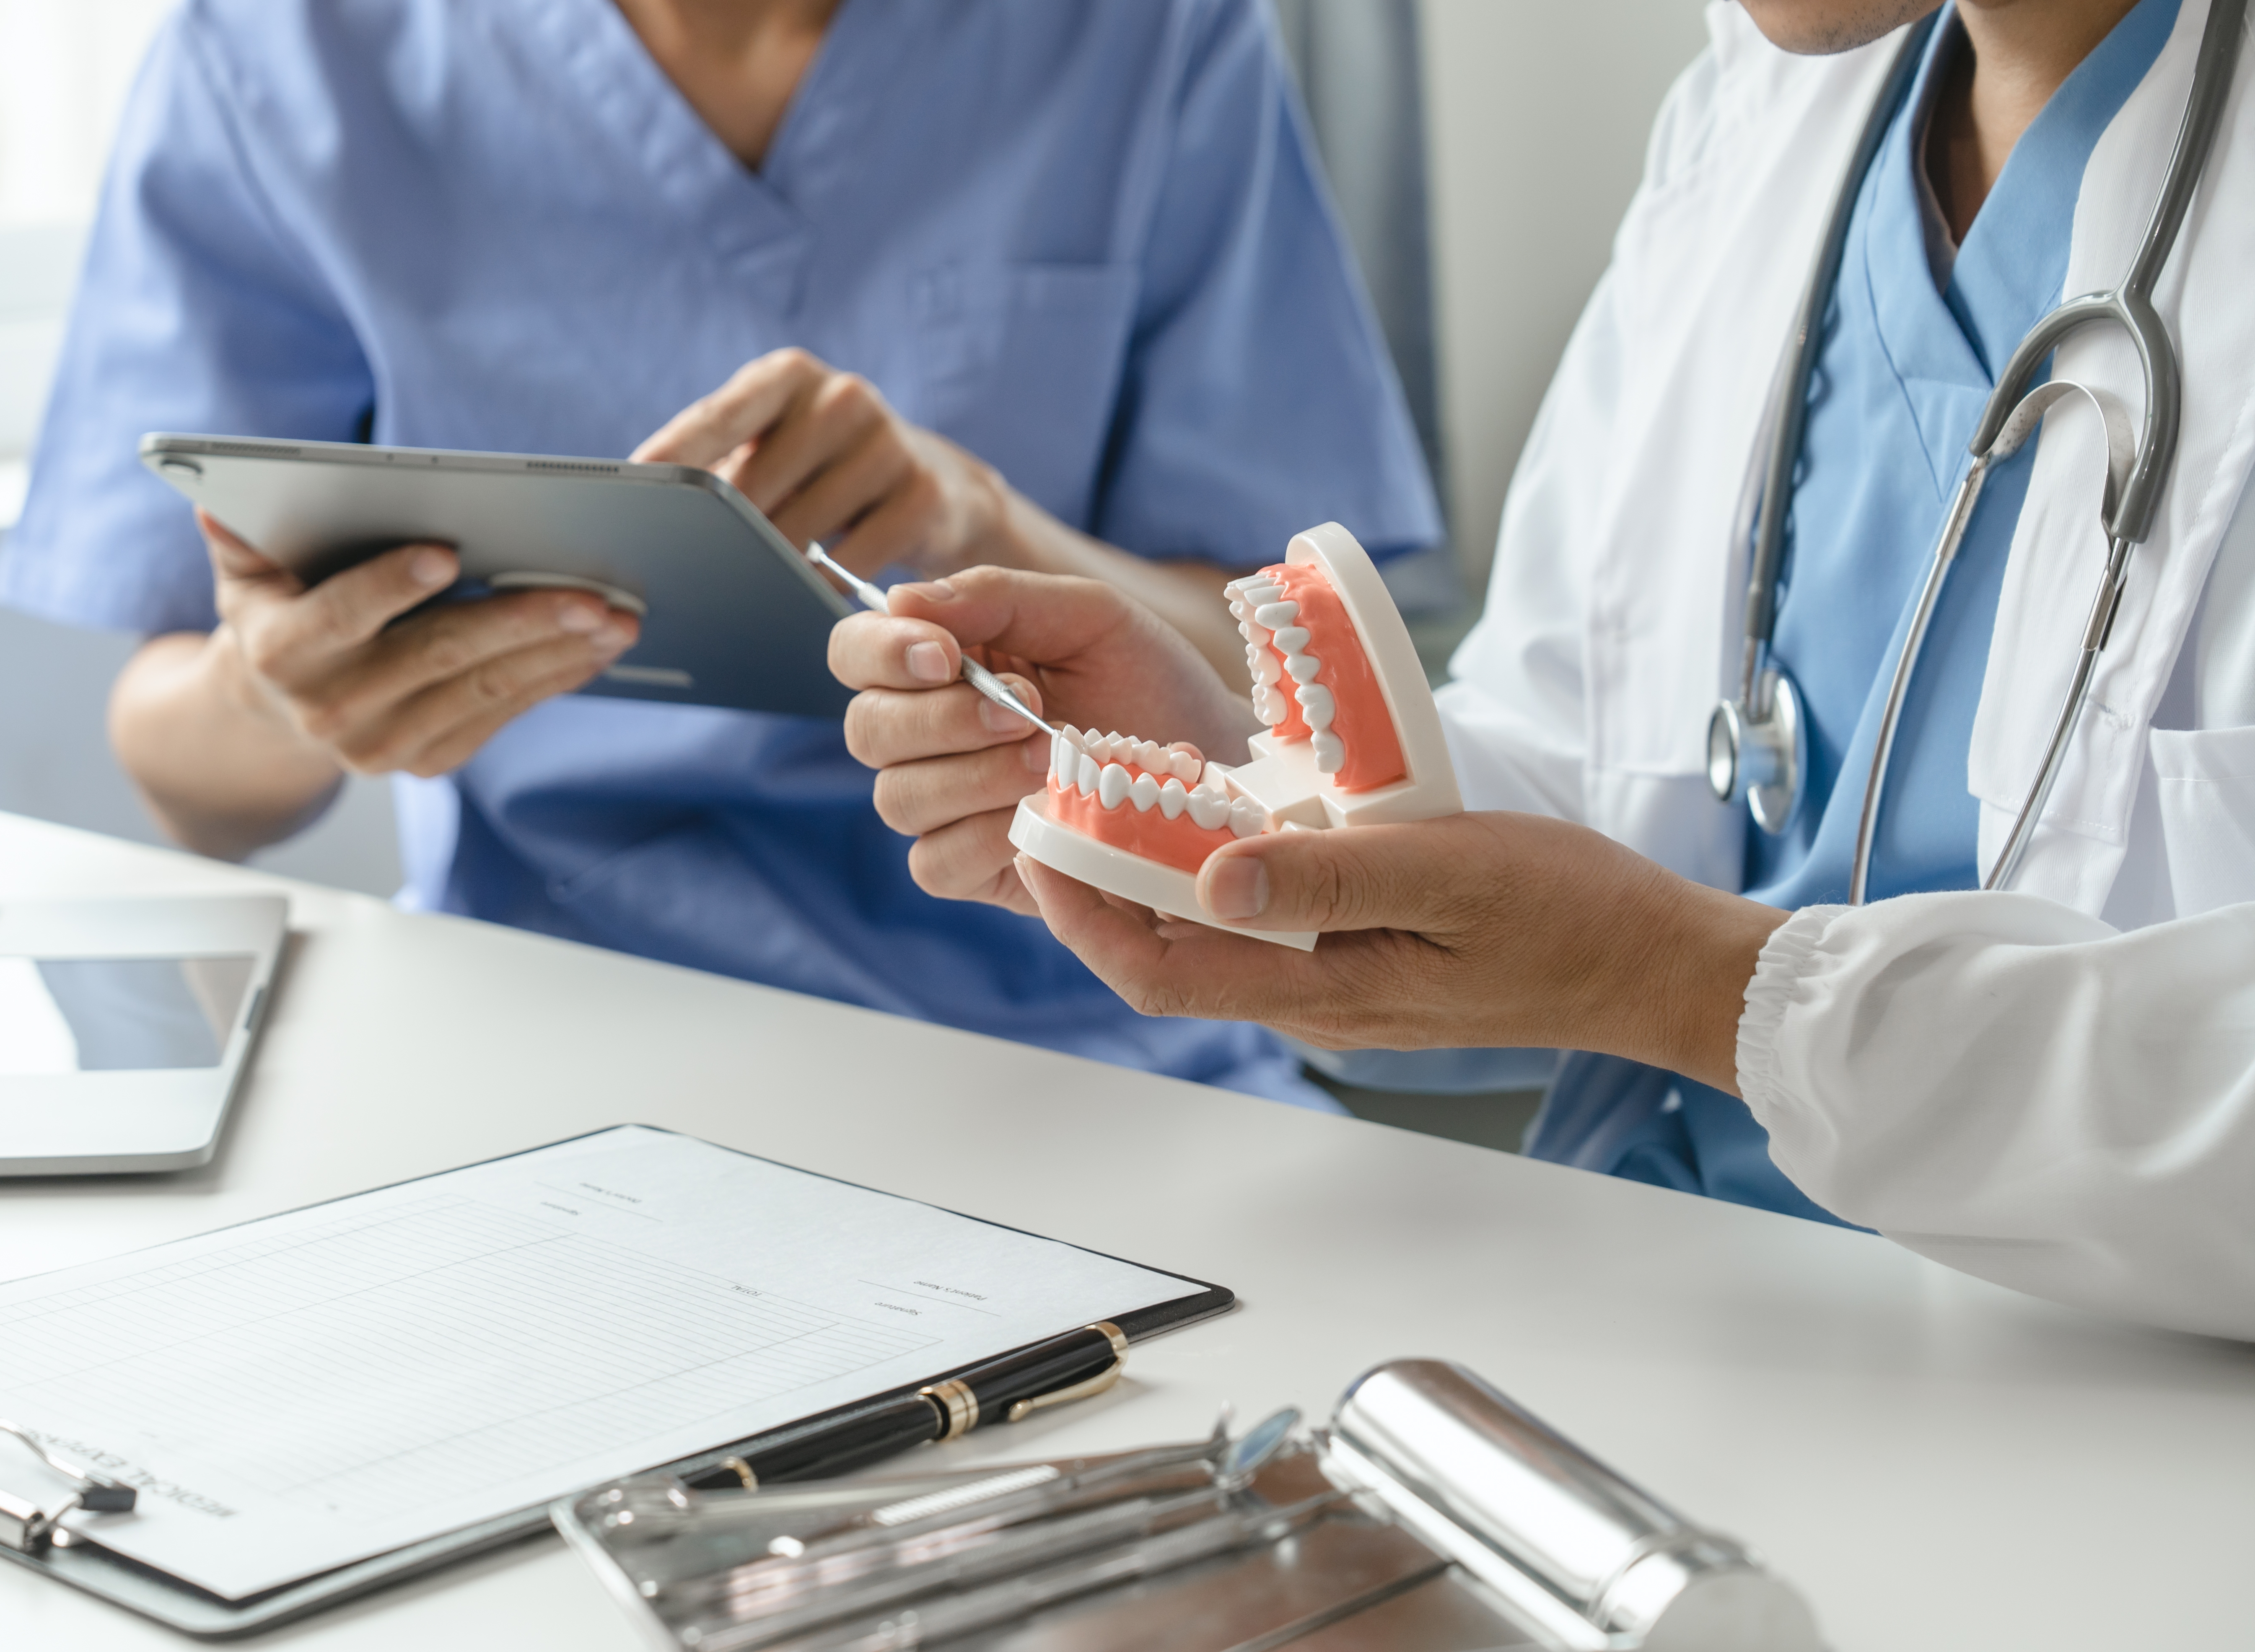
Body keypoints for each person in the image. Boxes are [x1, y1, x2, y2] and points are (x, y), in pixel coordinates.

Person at [830, 0, 2255, 1338]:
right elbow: (1584, 755)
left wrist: (1685, 985)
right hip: (1664, 1294)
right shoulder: (1769, 114)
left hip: (2100, 1402)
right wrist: (1261, 816)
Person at [0, 0, 1441, 1109]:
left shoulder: (1144, 37)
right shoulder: (288, 52)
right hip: (538, 1044)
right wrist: (280, 699)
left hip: (1093, 1042)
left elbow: (1295, 698)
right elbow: (186, 777)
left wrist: (983, 524)